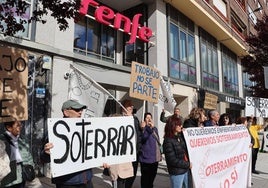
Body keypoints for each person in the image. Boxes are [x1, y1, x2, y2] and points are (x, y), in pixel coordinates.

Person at [40, 99, 94, 188]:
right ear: (66, 112)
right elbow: (43, 159)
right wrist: (46, 153)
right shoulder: (55, 131)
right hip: (67, 182)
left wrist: (102, 160)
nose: (80, 112)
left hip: (87, 180)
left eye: (81, 110)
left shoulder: (86, 129)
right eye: (77, 110)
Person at [0, 118, 35, 188]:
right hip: (7, 180)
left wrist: (31, 169)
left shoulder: (23, 140)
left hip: (21, 177)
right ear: (9, 127)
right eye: (17, 126)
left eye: (20, 125)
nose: (20, 127)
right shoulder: (1, 140)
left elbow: (29, 156)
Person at [102, 113, 134, 188]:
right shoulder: (108, 135)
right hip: (116, 170)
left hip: (125, 168)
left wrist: (131, 120)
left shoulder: (126, 132)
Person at [163, 116, 192, 188]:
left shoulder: (179, 137)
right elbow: (172, 160)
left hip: (185, 169)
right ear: (173, 126)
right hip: (177, 172)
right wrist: (187, 164)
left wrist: (187, 133)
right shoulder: (168, 141)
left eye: (181, 124)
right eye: (178, 125)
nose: (181, 126)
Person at [121, 99, 142, 188]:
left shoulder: (135, 119)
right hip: (124, 152)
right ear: (123, 108)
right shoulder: (119, 118)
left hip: (135, 151)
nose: (131, 107)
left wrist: (142, 128)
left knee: (132, 172)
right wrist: (127, 118)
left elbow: (138, 134)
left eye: (132, 106)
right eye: (129, 106)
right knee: (123, 173)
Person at [139, 112, 162, 188]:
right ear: (144, 119)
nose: (149, 119)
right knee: (145, 179)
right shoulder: (142, 129)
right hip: (146, 158)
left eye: (150, 117)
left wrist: (152, 128)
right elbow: (144, 138)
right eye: (147, 117)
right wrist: (147, 128)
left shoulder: (154, 128)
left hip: (154, 158)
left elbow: (157, 140)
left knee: (152, 177)